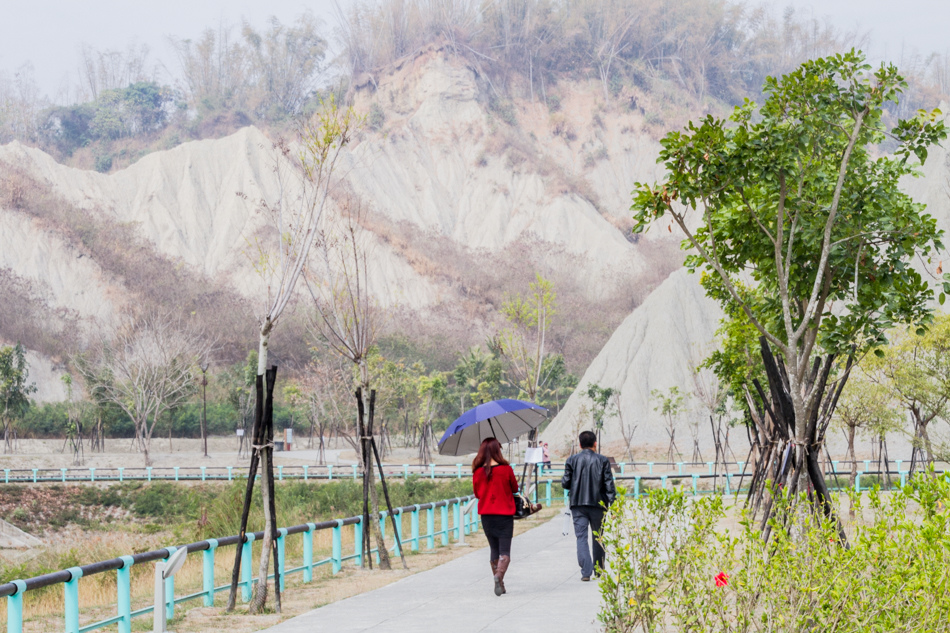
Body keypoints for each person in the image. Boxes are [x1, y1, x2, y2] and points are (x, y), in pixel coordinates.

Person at [561, 430, 616, 581]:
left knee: (581, 537)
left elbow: (565, 483)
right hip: (598, 504)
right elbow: (609, 484)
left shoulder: (571, 460)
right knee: (598, 536)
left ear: (579, 444)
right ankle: (599, 570)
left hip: (578, 504)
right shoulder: (603, 460)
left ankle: (586, 572)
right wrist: (614, 505)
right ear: (595, 444)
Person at [472, 437, 518, 596]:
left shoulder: (477, 472)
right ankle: (499, 576)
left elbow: (477, 494)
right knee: (505, 551)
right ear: (497, 451)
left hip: (486, 516)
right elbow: (514, 488)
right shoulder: (506, 469)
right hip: (504, 515)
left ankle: (501, 583)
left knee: (494, 549)